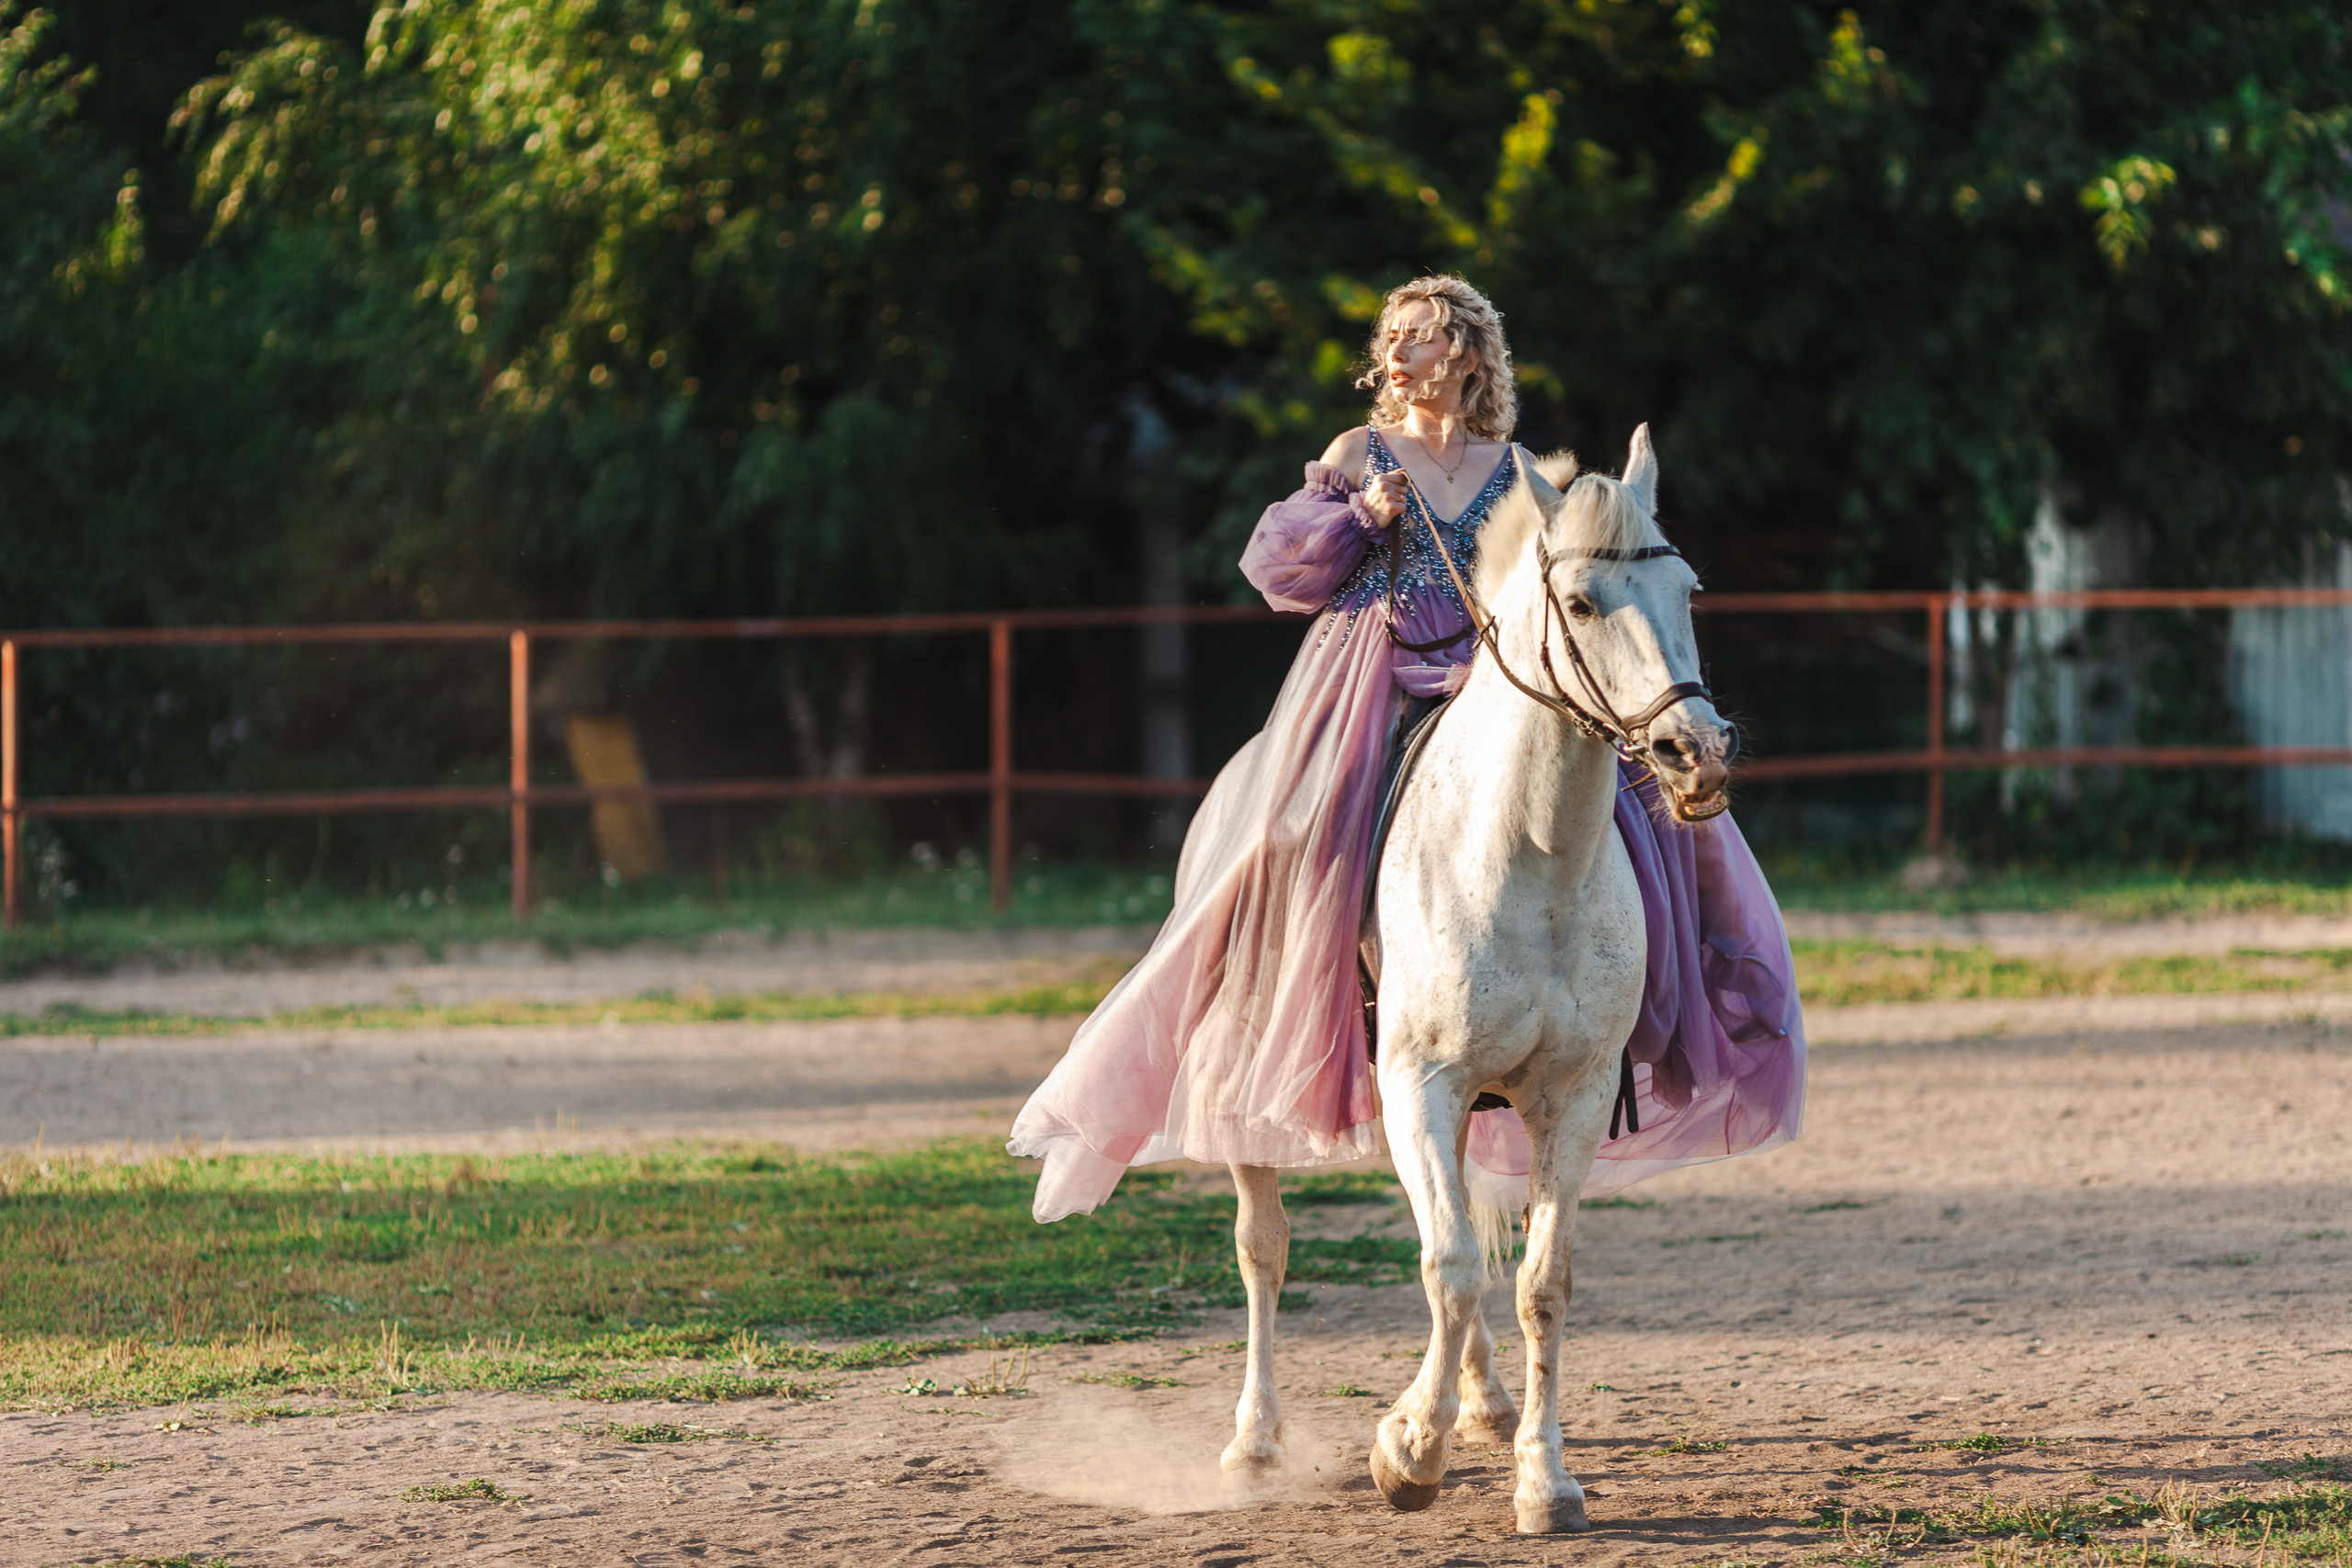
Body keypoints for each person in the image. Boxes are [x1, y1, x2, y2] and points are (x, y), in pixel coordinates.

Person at [1010, 276, 1804, 1224]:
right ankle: (1261, 1004)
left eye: (1419, 338)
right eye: (1391, 338)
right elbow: (1274, 570)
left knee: (1648, 817)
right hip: (1373, 677)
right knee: (1287, 831)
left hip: (1497, 683)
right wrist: (1358, 517)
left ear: (1466, 354)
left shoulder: (1519, 470)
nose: (1396, 355)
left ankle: (1647, 1016)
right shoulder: (1359, 451)